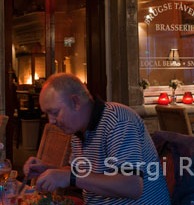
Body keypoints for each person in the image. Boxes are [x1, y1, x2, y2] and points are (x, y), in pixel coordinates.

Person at [24, 73, 170, 205]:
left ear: (75, 102)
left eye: (54, 112)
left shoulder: (118, 119)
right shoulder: (79, 132)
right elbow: (83, 174)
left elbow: (132, 186)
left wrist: (70, 177)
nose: (51, 121)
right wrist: (49, 169)